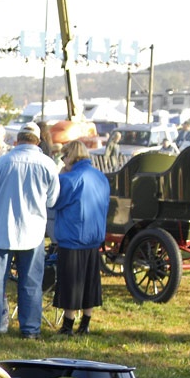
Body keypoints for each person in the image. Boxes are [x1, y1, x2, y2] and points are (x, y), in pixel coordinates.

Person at [0, 120, 60, 339]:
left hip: (2, 229)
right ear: (38, 140)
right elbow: (52, 200)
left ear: (17, 139)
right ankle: (30, 329)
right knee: (31, 282)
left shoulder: (3, 162)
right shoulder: (48, 164)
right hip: (32, 230)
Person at [52, 140, 110, 336]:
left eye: (63, 157)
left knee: (71, 282)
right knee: (90, 281)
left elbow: (55, 202)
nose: (63, 161)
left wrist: (60, 176)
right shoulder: (101, 177)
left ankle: (68, 323)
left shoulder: (70, 179)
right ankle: (86, 322)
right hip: (94, 236)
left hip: (73, 235)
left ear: (70, 156)